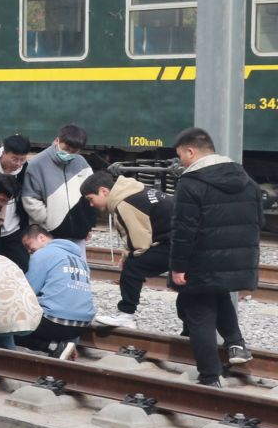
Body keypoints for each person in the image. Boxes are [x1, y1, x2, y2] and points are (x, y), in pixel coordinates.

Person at [169, 126, 260, 384]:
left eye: (181, 156)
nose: (181, 162)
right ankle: (236, 344)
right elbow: (258, 220)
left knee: (198, 313)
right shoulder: (245, 178)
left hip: (202, 261)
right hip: (239, 259)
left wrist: (178, 266)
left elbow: (184, 230)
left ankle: (210, 376)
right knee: (219, 294)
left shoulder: (190, 182)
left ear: (191, 151)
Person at [79, 171, 172, 328]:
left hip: (178, 244)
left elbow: (140, 242)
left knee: (133, 266)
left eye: (91, 199)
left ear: (103, 191)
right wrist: (127, 254)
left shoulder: (123, 203)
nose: (91, 204)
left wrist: (128, 257)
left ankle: (126, 314)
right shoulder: (132, 191)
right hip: (186, 240)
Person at [18, 223, 94, 355]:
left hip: (56, 322)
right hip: (83, 325)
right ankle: (68, 346)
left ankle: (54, 347)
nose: (29, 251)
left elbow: (28, 291)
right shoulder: (80, 259)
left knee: (7, 327)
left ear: (41, 237)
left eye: (28, 246)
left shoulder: (42, 254)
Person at [20, 123, 95, 243]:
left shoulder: (82, 163)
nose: (69, 154)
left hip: (78, 233)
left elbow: (90, 194)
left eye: (74, 151)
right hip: (49, 234)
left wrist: (87, 225)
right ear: (57, 141)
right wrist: (47, 219)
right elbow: (30, 198)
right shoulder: (37, 164)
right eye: (66, 149)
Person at [0, 135, 33, 269]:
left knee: (22, 265)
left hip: (14, 228)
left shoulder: (24, 168)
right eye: (14, 159)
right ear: (3, 153)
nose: (18, 164)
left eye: (22, 159)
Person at [0, 251, 42, 349]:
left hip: (0, 317)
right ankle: (9, 354)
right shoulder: (2, 259)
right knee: (5, 311)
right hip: (32, 317)